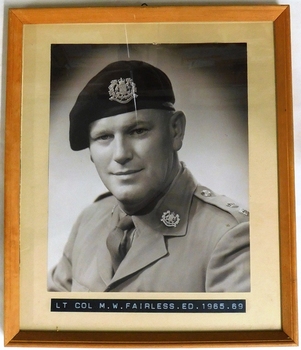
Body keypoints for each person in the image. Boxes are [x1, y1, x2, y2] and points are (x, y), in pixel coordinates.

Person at [48, 60, 250, 293]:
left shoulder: (228, 238)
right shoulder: (90, 220)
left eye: (138, 131)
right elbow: (50, 316)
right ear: (91, 152)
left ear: (175, 131)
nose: (121, 154)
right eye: (104, 137)